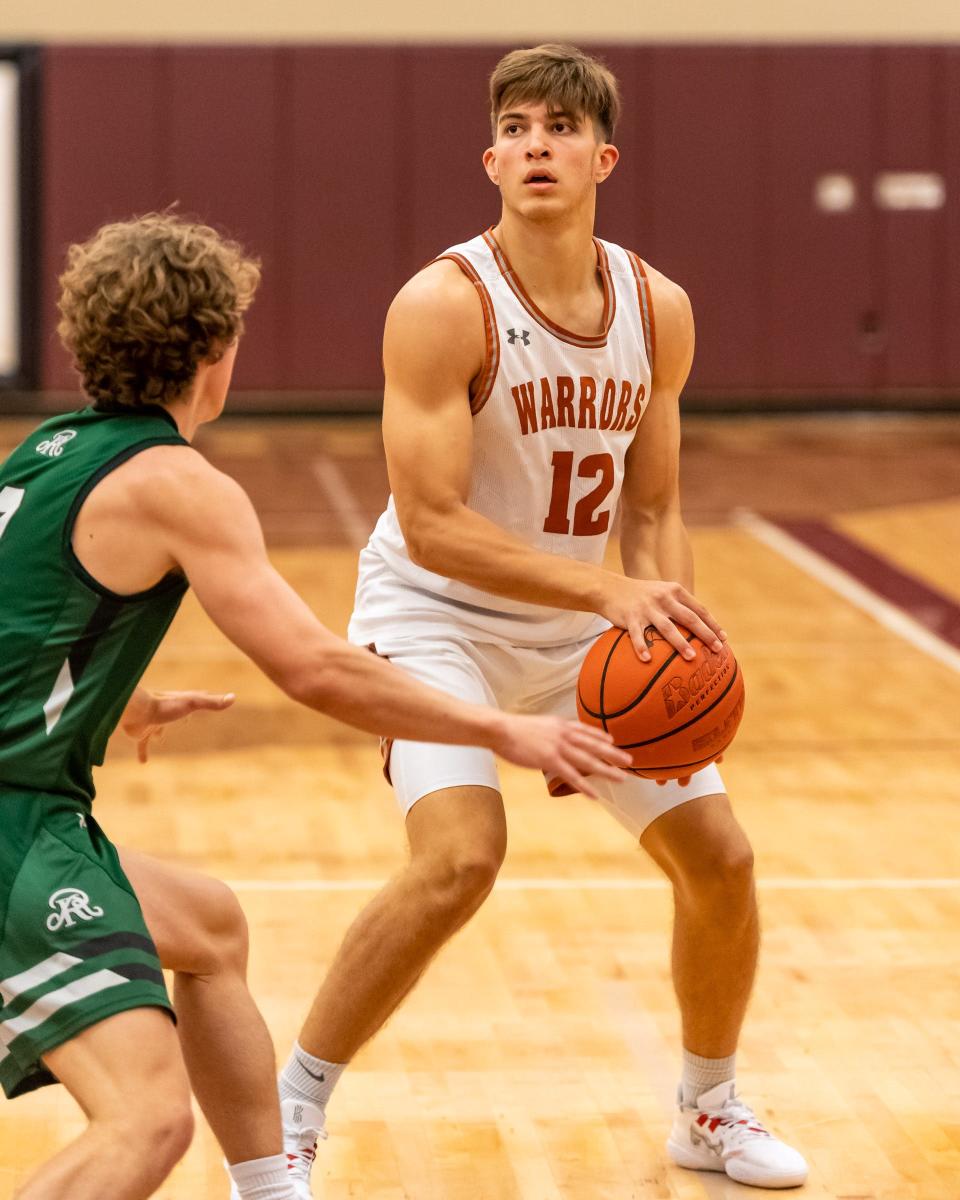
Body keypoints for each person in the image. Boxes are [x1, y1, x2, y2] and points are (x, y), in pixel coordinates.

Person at [0, 212, 629, 1200]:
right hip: (14, 825)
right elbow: (316, 669)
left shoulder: (45, 453)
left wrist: (114, 701)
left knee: (209, 931)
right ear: (217, 349)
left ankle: (270, 1187)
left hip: (33, 811)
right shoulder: (177, 483)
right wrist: (502, 727)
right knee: (146, 1121)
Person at [276, 44, 809, 1192]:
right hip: (438, 621)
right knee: (462, 859)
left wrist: (672, 634)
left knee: (722, 860)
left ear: (603, 156)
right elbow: (428, 523)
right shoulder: (441, 302)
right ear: (490, 159)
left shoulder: (657, 307)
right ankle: (292, 1106)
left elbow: (656, 508)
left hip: (581, 633)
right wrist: (608, 592)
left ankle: (706, 1110)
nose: (536, 146)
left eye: (561, 128)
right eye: (515, 129)